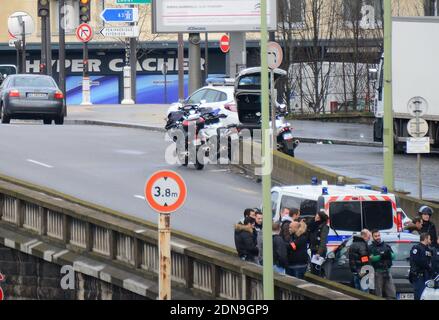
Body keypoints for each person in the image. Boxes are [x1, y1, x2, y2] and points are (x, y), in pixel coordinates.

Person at [369, 229, 396, 299]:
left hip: (387, 271)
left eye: (378, 235)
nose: (378, 237)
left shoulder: (386, 246)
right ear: (372, 237)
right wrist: (381, 256)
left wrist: (388, 255)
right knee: (378, 294)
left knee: (391, 293)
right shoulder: (371, 247)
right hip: (377, 272)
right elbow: (371, 258)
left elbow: (394, 256)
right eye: (375, 236)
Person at [409, 233, 433, 300]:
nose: (430, 240)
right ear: (425, 239)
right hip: (419, 275)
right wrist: (428, 267)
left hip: (426, 275)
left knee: (426, 295)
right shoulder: (417, 248)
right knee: (419, 294)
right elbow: (417, 261)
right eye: (429, 239)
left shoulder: (428, 249)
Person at [308, 210, 329, 276]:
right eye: (316, 216)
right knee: (313, 269)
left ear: (321, 218)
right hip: (313, 249)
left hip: (319, 251)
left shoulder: (324, 227)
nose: (315, 218)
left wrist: (319, 253)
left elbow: (323, 241)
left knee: (317, 270)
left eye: (317, 217)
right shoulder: (313, 225)